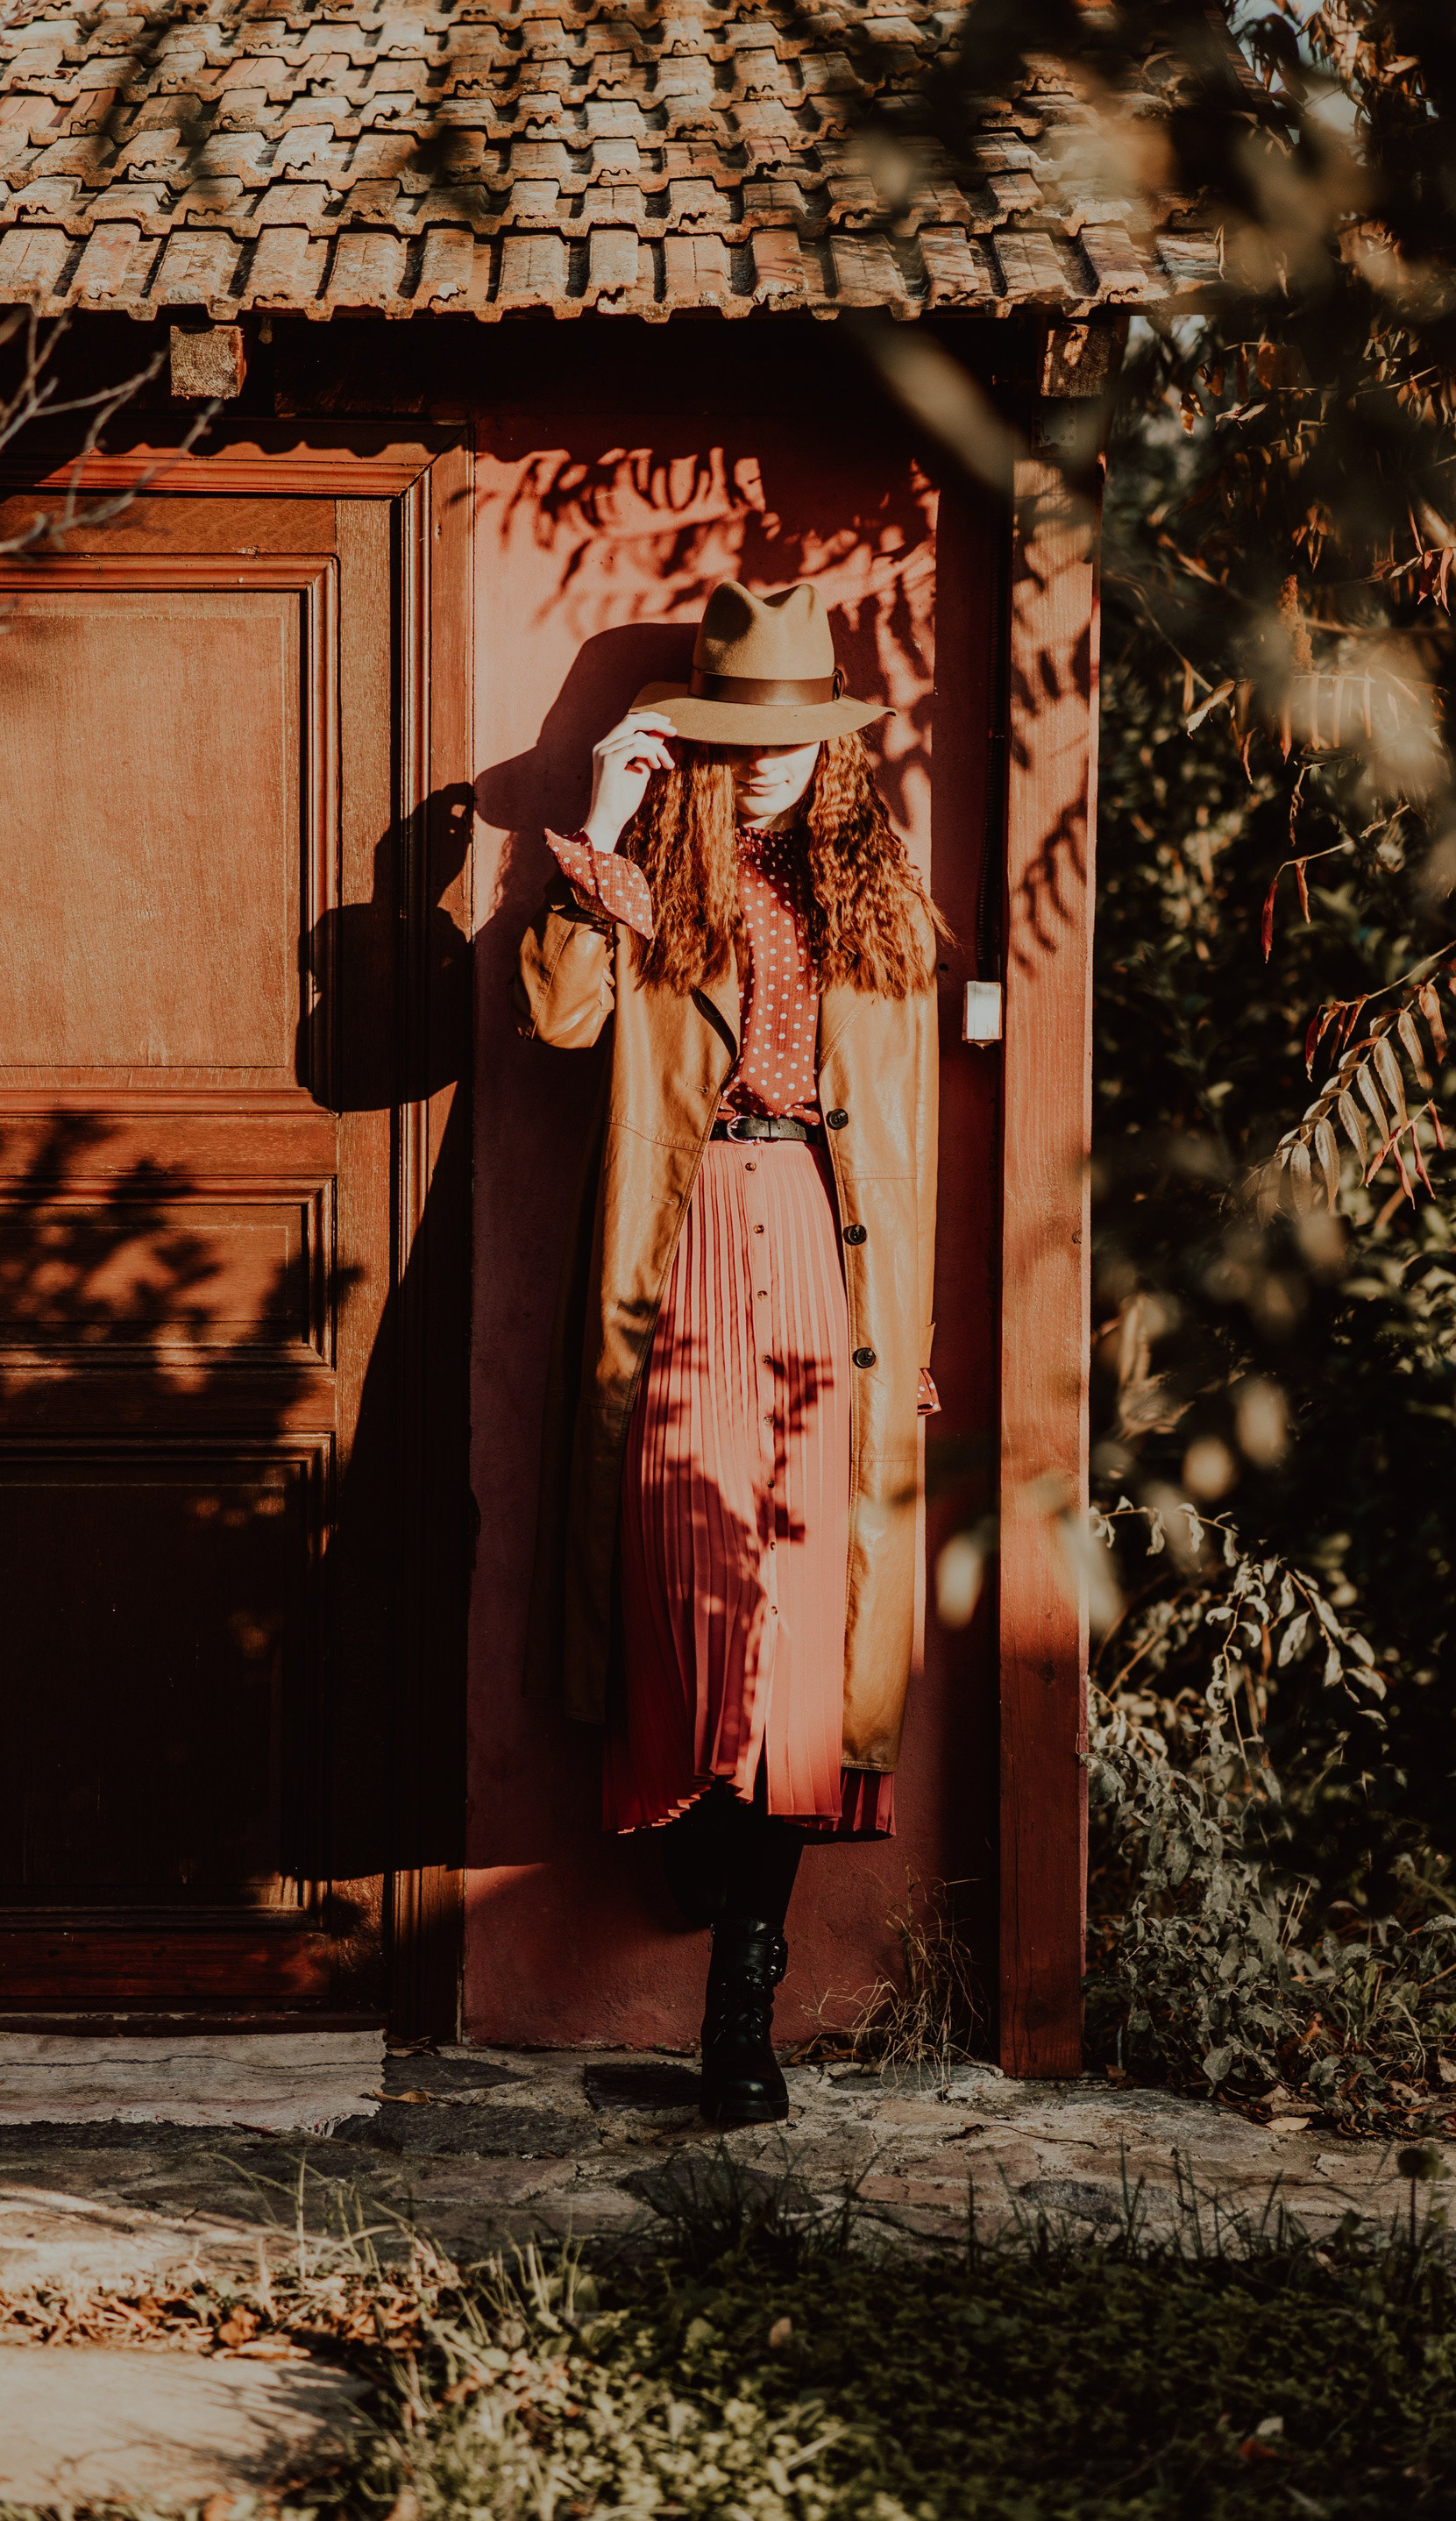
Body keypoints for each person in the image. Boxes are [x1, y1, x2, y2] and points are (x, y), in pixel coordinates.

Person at [515, 578, 941, 2127]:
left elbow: (909, 1142)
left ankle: (739, 2013)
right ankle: (704, 1837)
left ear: (832, 748)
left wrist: (911, 1341)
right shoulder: (652, 885)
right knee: (689, 1577)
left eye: (793, 737)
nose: (765, 761)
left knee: (807, 1624)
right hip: (685, 1243)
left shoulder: (879, 910)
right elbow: (558, 1024)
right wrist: (600, 825)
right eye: (737, 736)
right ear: (694, 742)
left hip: (832, 1261)